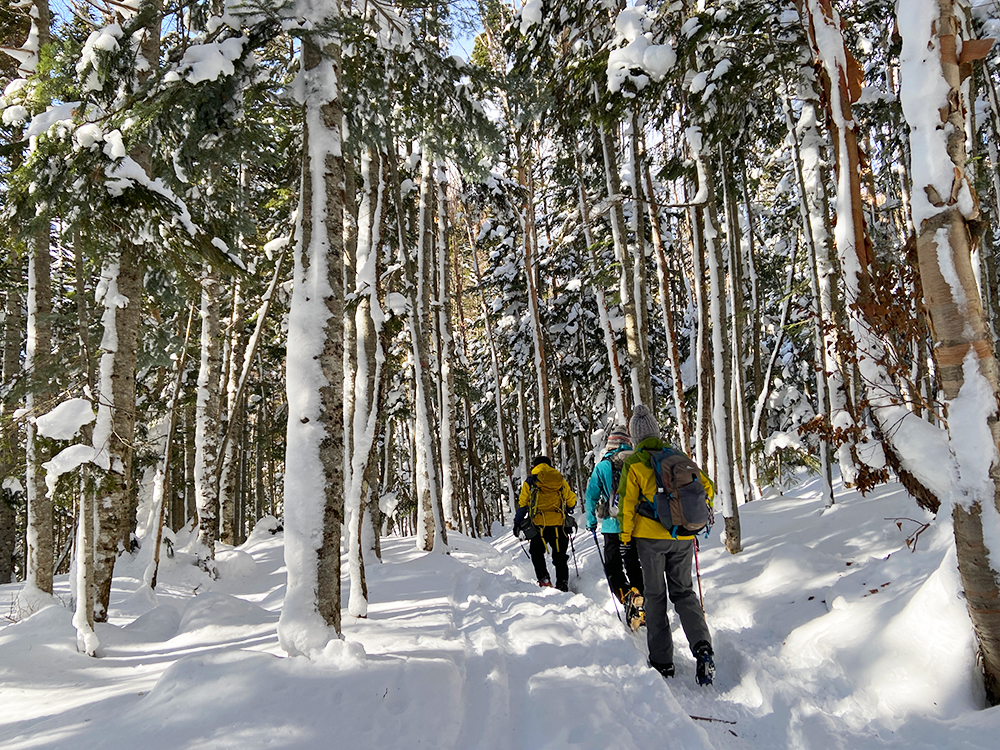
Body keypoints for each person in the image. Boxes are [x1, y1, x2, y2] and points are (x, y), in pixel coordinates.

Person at [619, 404, 715, 685]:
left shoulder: (634, 463)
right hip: (683, 537)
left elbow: (625, 506)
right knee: (684, 593)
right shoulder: (677, 456)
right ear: (657, 432)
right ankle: (702, 648)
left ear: (636, 437)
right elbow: (706, 487)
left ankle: (663, 662)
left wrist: (625, 541)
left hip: (650, 539)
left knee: (656, 596)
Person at [584, 426, 645, 629]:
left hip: (612, 526)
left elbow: (591, 495)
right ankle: (642, 602)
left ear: (609, 444)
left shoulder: (602, 467)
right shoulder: (637, 461)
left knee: (613, 566)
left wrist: (591, 521)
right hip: (636, 525)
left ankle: (627, 596)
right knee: (634, 563)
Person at [513, 456, 578, 591]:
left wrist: (517, 523)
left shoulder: (531, 481)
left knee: (536, 553)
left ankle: (544, 579)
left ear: (535, 466)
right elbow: (571, 500)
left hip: (538, 526)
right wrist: (567, 509)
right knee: (560, 556)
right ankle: (562, 583)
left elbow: (523, 504)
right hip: (559, 525)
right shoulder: (559, 480)